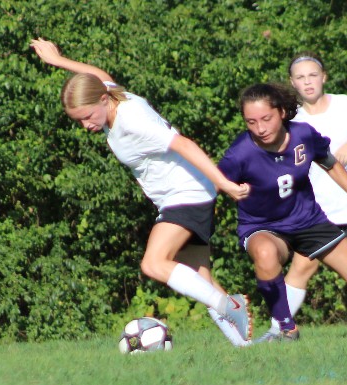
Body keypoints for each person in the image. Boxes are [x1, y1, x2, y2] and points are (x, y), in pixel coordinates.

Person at [30, 38, 252, 342]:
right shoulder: (111, 96)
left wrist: (225, 183)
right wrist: (59, 61)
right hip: (182, 193)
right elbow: (96, 73)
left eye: (86, 117)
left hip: (187, 193)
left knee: (153, 263)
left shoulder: (133, 120)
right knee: (200, 277)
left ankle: (230, 305)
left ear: (102, 101)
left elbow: (184, 144)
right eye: (78, 121)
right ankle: (245, 346)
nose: (85, 126)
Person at [218, 82, 347, 341]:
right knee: (265, 252)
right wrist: (227, 188)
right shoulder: (240, 153)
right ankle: (286, 328)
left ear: (282, 112)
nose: (260, 128)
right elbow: (213, 183)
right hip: (264, 227)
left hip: (308, 221)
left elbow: (333, 166)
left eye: (266, 119)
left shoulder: (303, 135)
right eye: (251, 122)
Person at [265, 51, 347, 338]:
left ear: (323, 77)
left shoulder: (345, 105)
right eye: (300, 77)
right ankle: (274, 333)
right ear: (292, 83)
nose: (308, 82)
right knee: (300, 270)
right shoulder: (292, 121)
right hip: (317, 212)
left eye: (312, 75)